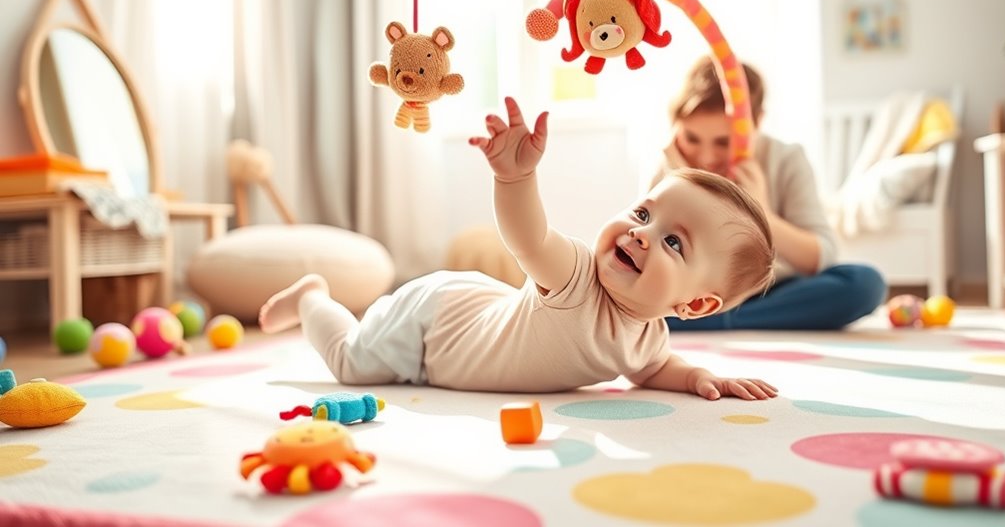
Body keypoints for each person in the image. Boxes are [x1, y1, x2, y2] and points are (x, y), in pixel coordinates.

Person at [259, 97, 778, 400]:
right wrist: (517, 179)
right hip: (434, 324)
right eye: (643, 213)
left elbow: (654, 369)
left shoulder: (647, 337)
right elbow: (529, 238)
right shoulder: (576, 276)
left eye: (672, 241)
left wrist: (703, 379)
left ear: (694, 305)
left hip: (471, 321)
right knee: (353, 365)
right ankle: (312, 298)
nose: (640, 232)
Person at [649, 56, 887, 331]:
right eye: (691, 138)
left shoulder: (786, 159)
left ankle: (716, 321)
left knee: (864, 284)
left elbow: (821, 257)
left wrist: (762, 215)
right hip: (692, 298)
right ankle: (708, 318)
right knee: (633, 300)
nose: (706, 157)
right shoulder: (668, 164)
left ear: (757, 122)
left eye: (723, 142)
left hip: (776, 291)